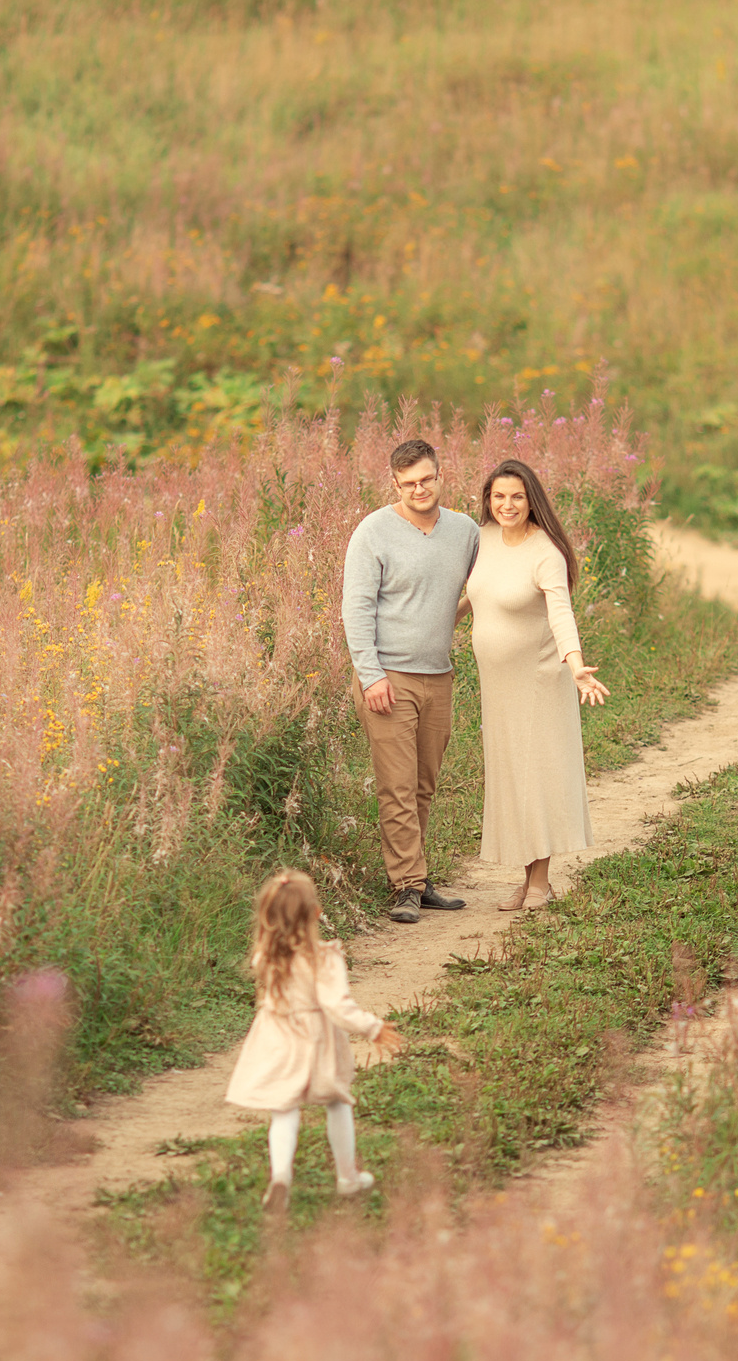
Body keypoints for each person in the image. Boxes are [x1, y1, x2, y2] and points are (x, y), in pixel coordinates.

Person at [341, 437, 482, 924]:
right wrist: (371, 674)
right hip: (388, 679)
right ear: (395, 484)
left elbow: (491, 582)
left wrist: (456, 614)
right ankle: (406, 885)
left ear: (441, 475)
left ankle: (417, 880)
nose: (418, 489)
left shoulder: (464, 531)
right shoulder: (373, 532)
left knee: (423, 786)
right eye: (407, 484)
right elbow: (356, 608)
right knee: (397, 787)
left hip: (438, 677)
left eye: (425, 479)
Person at [466, 458, 608, 911]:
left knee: (538, 776)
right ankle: (527, 878)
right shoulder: (482, 538)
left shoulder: (545, 551)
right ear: (489, 499)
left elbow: (560, 612)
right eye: (499, 496)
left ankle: (540, 883)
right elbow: (469, 596)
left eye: (517, 496)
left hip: (539, 680)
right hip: (498, 685)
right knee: (512, 776)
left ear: (532, 501)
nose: (507, 505)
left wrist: (576, 663)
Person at [224, 869, 397, 1213]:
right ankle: (347, 1177)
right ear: (315, 913)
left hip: (276, 1037)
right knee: (336, 1102)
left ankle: (281, 1176)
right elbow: (336, 1005)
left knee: (284, 1110)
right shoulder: (322, 958)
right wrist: (372, 1027)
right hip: (316, 1038)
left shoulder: (266, 955)